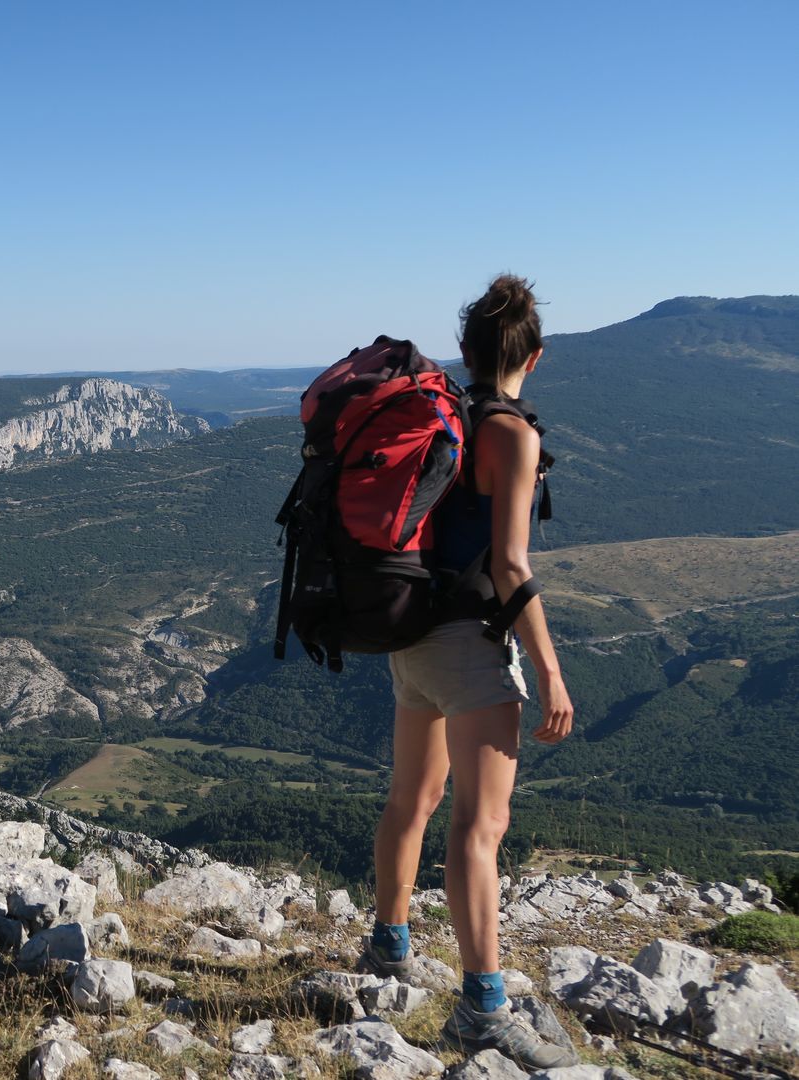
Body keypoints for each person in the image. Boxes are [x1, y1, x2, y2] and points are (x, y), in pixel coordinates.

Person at [359, 275, 580, 1069]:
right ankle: (483, 1010)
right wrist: (550, 671)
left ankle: (387, 950)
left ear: (465, 352)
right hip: (471, 648)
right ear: (536, 356)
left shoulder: (445, 414)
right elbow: (513, 565)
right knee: (479, 831)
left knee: (409, 804)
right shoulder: (512, 437)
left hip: (411, 638)